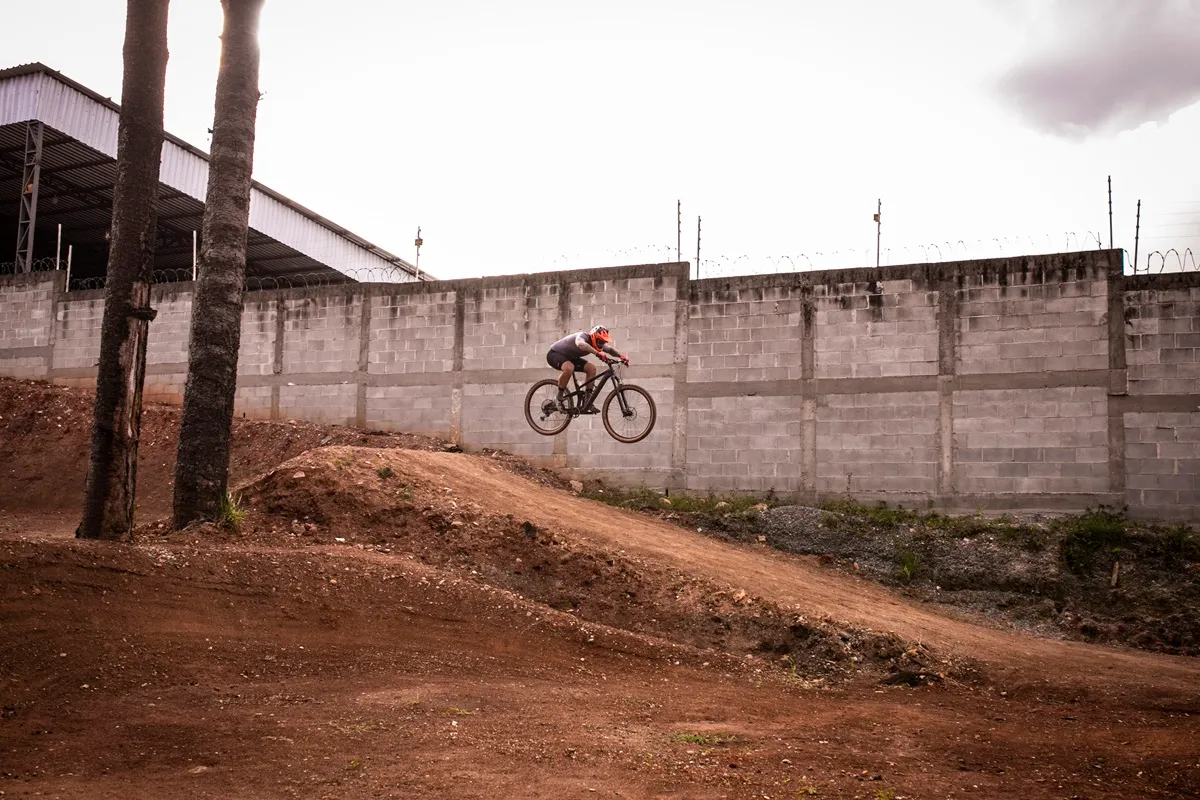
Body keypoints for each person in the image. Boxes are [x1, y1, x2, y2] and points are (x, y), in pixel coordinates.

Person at [545, 325, 629, 412]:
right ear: (593, 337)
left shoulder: (598, 344)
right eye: (600, 341)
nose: (601, 344)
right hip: (555, 354)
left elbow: (610, 350)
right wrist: (597, 353)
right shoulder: (583, 336)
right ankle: (558, 397)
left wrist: (621, 356)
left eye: (603, 342)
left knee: (591, 368)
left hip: (571, 358)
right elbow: (580, 344)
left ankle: (587, 400)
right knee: (569, 367)